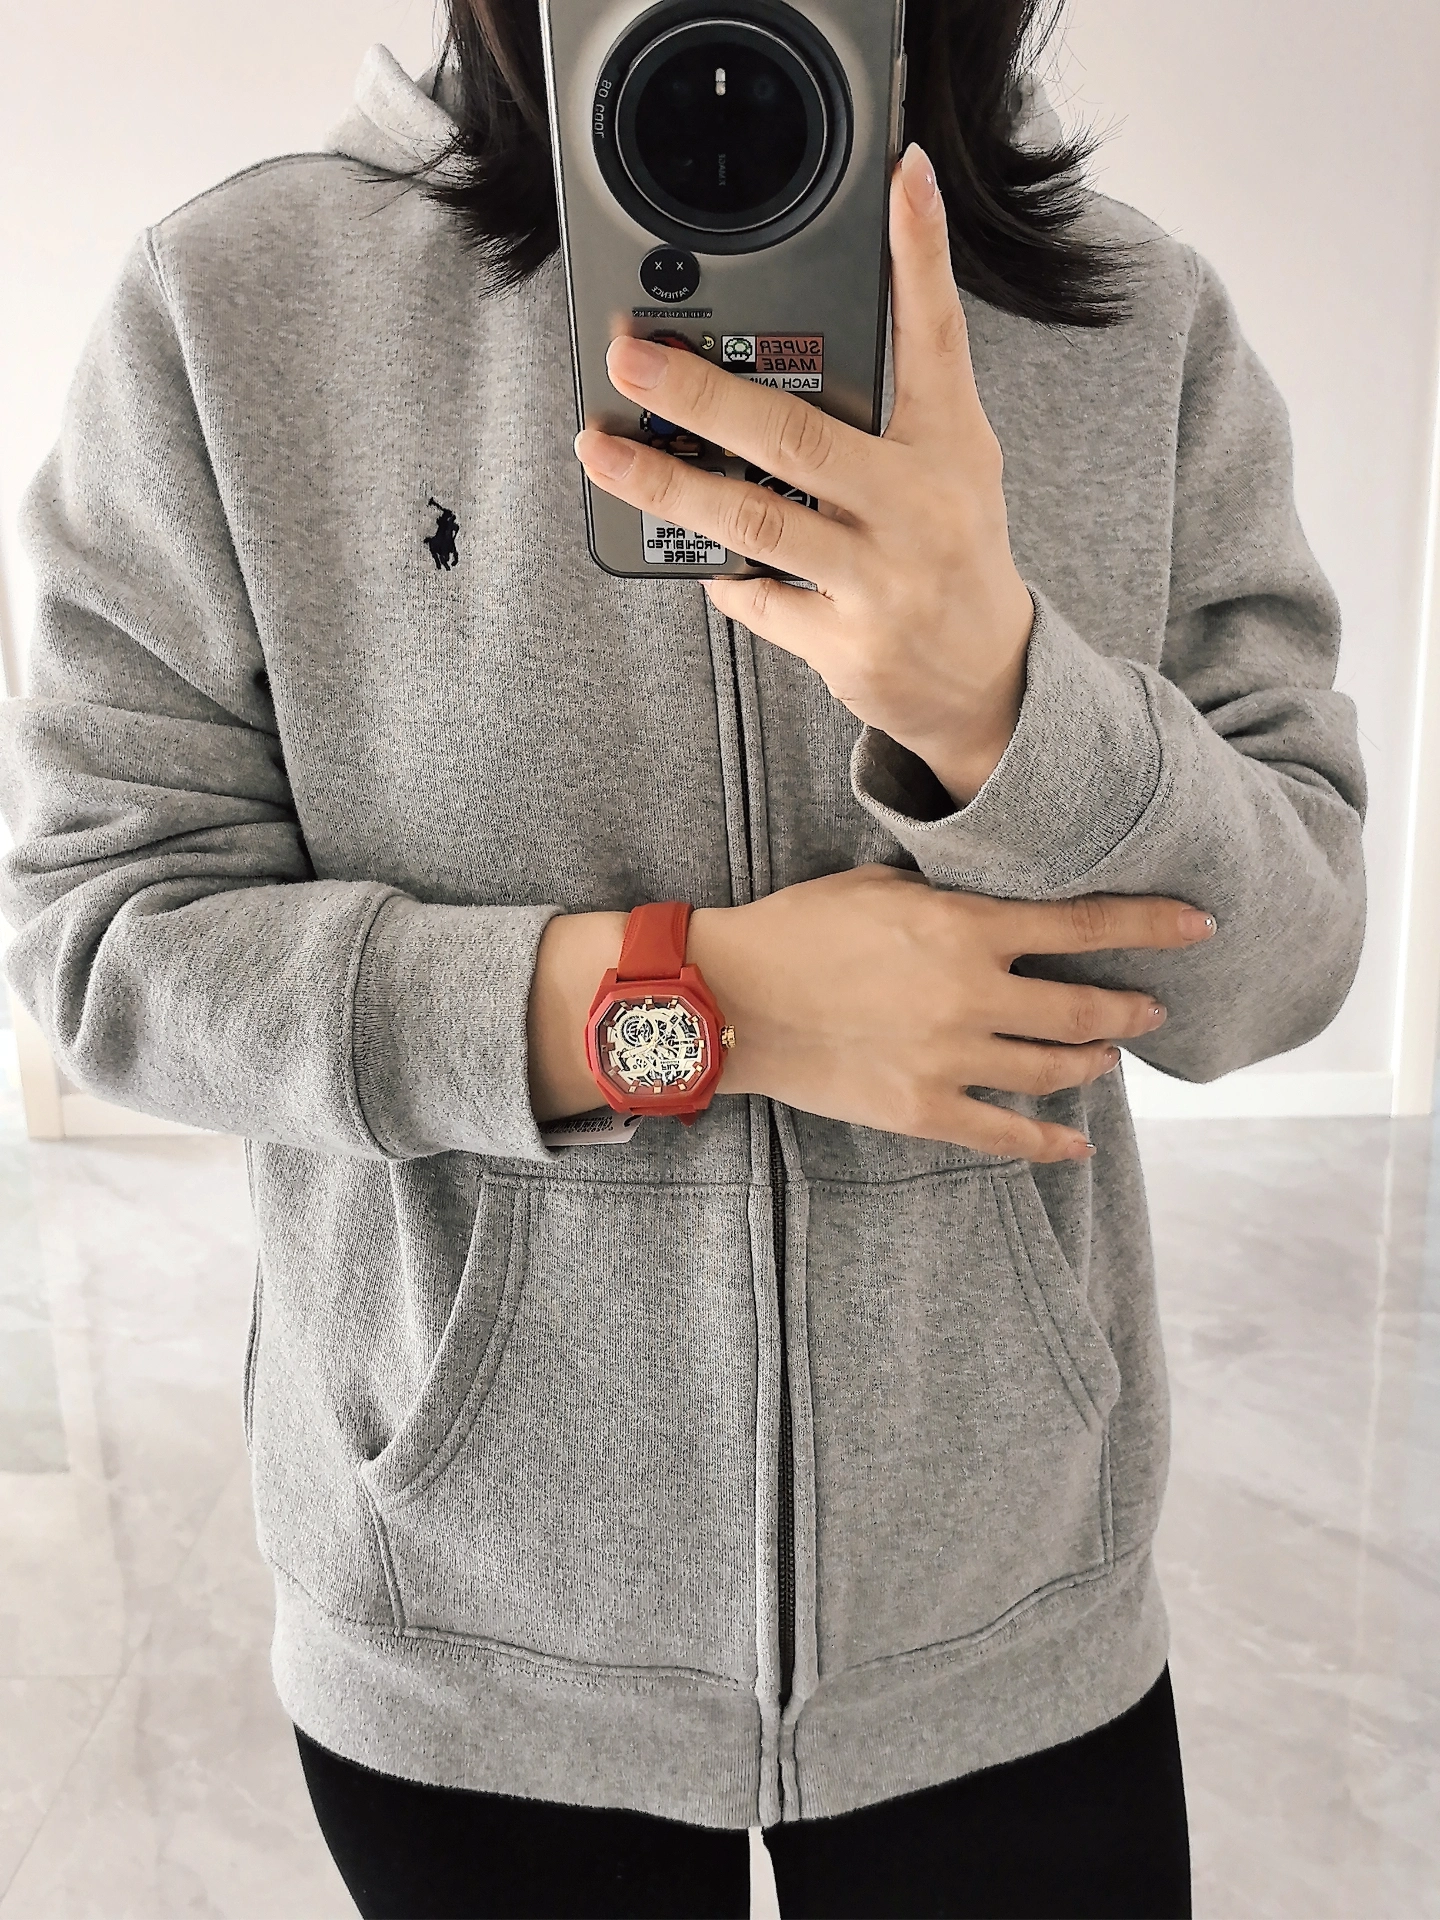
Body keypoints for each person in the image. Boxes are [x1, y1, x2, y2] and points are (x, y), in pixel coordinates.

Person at [0, 1, 1366, 1914]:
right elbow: (108, 936)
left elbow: (1284, 960)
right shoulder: (237, 309)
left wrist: (1000, 701)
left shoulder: (1134, 324)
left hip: (1003, 1628)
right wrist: (706, 1005)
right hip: (473, 1642)